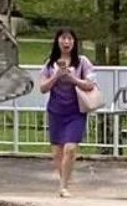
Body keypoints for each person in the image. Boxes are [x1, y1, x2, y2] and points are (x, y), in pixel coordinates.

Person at [38, 28, 97, 197]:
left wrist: (73, 79)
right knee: (57, 151)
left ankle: (64, 186)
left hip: (76, 110)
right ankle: (64, 181)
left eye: (70, 39)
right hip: (56, 110)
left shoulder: (82, 62)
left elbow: (90, 84)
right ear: (57, 41)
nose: (66, 42)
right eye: (63, 38)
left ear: (74, 42)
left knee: (70, 148)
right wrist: (57, 75)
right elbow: (43, 88)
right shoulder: (50, 63)